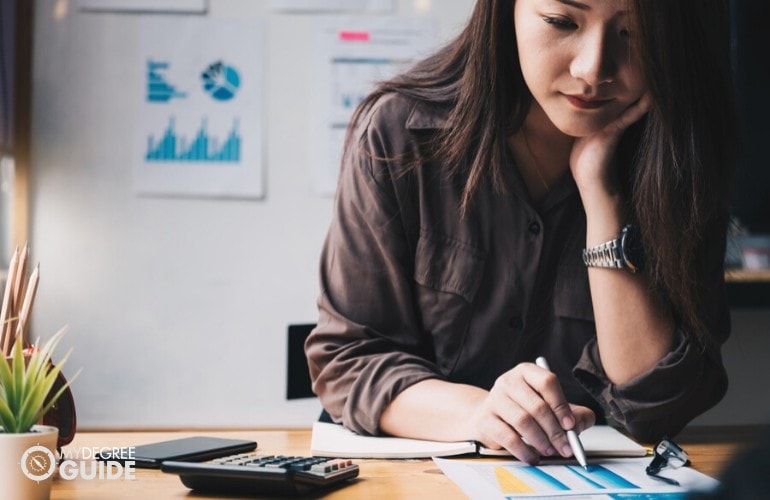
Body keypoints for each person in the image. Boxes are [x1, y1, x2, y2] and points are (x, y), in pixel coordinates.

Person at [306, 0, 738, 465]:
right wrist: (483, 413)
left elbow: (659, 405)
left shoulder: (682, 154)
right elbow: (348, 359)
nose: (593, 69)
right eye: (561, 22)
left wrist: (600, 195)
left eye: (634, 34)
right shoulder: (401, 133)